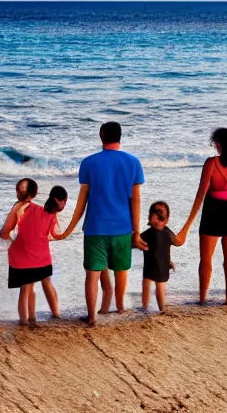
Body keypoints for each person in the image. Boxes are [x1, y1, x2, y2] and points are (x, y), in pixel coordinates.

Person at [56, 122, 147, 326]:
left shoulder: (89, 163)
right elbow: (136, 200)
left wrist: (67, 231)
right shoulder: (133, 162)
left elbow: (82, 202)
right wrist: (137, 232)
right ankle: (121, 308)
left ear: (101, 135)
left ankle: (92, 317)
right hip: (123, 228)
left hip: (95, 228)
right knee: (121, 271)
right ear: (120, 137)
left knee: (93, 274)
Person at [176, 128, 227, 305]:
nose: (215, 145)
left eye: (216, 142)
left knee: (206, 258)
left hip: (212, 211)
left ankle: (203, 298)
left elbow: (200, 195)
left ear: (221, 144)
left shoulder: (211, 163)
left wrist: (187, 226)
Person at [0, 185, 67, 325]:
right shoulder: (51, 215)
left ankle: (26, 320)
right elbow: (56, 234)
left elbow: (14, 224)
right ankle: (55, 313)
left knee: (26, 288)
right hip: (41, 256)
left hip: (21, 254)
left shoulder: (27, 207)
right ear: (62, 200)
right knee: (45, 282)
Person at [141, 202, 184, 312]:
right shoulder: (147, 234)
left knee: (160, 289)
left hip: (162, 267)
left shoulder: (168, 233)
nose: (159, 220)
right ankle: (144, 307)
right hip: (150, 266)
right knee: (146, 286)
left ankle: (162, 309)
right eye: (156, 216)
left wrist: (169, 262)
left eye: (162, 217)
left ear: (167, 220)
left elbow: (177, 242)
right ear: (150, 218)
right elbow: (135, 242)